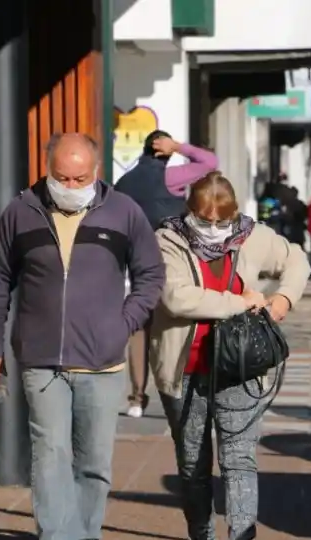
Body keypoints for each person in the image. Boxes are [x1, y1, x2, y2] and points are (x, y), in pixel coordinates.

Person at [0, 133, 166, 540]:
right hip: (41, 358)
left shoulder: (123, 212)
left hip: (103, 360)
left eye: (79, 178)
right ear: (48, 170)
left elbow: (151, 274)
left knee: (94, 459)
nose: (70, 185)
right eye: (61, 177)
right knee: (50, 452)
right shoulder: (21, 212)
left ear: (96, 172)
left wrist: (124, 323)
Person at [149, 172, 311, 540]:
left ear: (235, 213)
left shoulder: (251, 236)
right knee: (193, 462)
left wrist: (283, 299)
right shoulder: (167, 240)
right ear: (190, 212)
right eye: (204, 220)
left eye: (222, 221)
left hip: (240, 365)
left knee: (239, 456)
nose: (214, 229)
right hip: (185, 368)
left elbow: (297, 259)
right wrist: (240, 301)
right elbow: (176, 297)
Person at [114, 130, 218, 419]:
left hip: (138, 261)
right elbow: (210, 162)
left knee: (140, 328)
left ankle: (136, 398)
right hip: (170, 262)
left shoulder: (123, 183)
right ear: (164, 151)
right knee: (176, 325)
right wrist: (179, 146)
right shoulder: (170, 177)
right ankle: (178, 392)